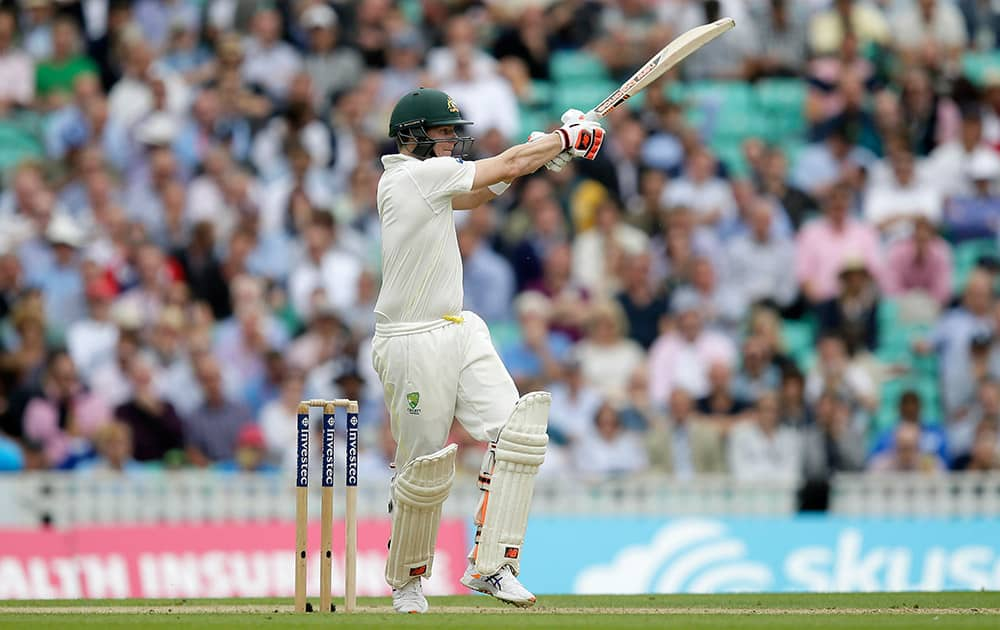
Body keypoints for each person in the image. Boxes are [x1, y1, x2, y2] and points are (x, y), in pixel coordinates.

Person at [369, 87, 605, 613]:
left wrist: (548, 152)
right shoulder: (406, 176)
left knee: (517, 437)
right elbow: (507, 163)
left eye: (455, 132)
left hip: (457, 327)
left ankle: (495, 565)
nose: (454, 140)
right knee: (423, 467)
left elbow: (479, 191)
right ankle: (407, 582)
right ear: (412, 136)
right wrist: (559, 140)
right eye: (445, 132)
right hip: (410, 339)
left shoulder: (434, 180)